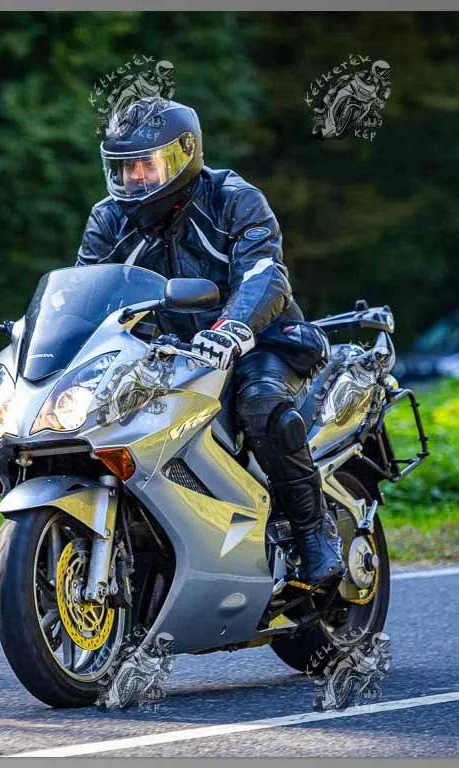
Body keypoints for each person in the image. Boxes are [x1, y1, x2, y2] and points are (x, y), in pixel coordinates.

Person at [74, 96, 344, 587]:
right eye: (125, 168)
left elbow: (265, 274)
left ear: (185, 154)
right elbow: (86, 292)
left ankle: (312, 532)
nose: (135, 178)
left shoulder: (233, 198)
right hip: (165, 355)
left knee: (262, 406)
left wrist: (232, 328)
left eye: (146, 165)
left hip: (259, 341)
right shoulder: (108, 219)